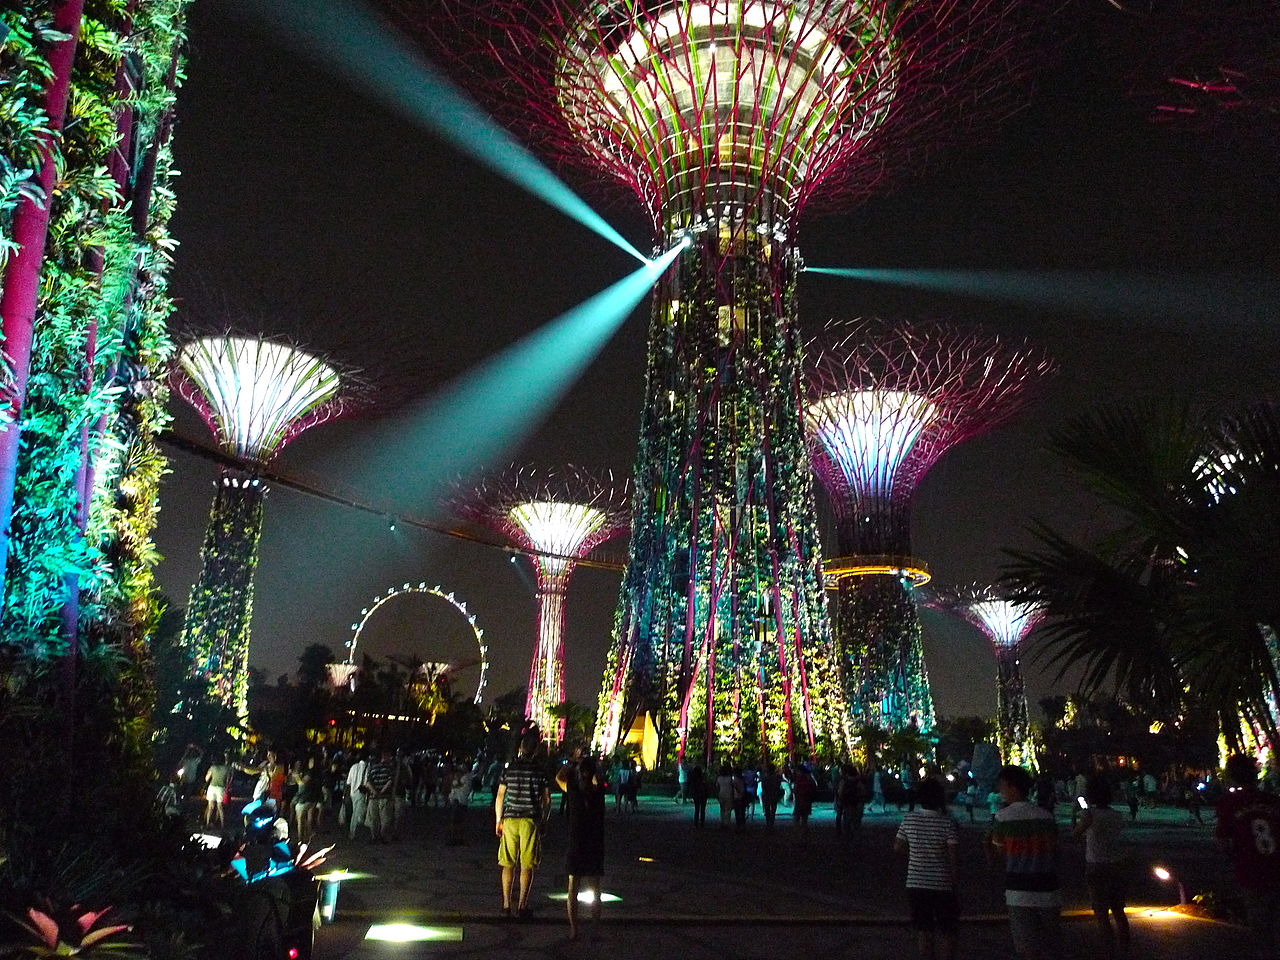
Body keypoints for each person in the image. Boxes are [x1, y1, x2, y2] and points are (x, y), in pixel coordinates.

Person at [991, 765, 1062, 960]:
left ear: (1013, 788)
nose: (1001, 791)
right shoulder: (1046, 817)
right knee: (1051, 947)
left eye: (1002, 786)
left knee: (1027, 949)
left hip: (1019, 890)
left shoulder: (1002, 817)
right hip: (1049, 888)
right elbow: (1055, 849)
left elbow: (999, 850)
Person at [1216, 754, 1280, 957]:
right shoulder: (1272, 801)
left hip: (1252, 871)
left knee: (1261, 931)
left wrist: (1233, 858)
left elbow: (1224, 841)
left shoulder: (1229, 803)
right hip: (1276, 867)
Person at [894, 778, 959, 960]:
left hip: (915, 882)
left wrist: (915, 852)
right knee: (948, 931)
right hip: (942, 883)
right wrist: (954, 882)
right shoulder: (947, 823)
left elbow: (897, 847)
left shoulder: (909, 819)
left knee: (924, 930)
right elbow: (953, 857)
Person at [1073, 774, 1129, 960]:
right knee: (1119, 910)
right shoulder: (1117, 815)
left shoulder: (1090, 815)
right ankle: (1124, 949)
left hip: (1097, 865)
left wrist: (1078, 815)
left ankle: (1108, 950)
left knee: (1101, 912)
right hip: (1117, 864)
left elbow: (1076, 834)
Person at [496, 736, 551, 919]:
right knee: (527, 865)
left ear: (520, 749)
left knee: (507, 863)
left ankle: (505, 905)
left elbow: (500, 796)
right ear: (535, 750)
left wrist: (499, 819)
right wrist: (543, 821)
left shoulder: (509, 769)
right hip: (530, 820)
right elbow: (547, 800)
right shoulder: (539, 771)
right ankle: (522, 905)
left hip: (510, 819)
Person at [556, 756, 606, 941]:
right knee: (595, 890)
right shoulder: (598, 792)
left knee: (572, 888)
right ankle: (594, 929)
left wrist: (572, 765)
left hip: (576, 844)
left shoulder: (573, 791)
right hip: (594, 844)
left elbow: (559, 777)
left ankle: (574, 929)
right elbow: (600, 778)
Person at [365, 748, 398, 843]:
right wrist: (382, 792)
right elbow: (390, 782)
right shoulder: (389, 768)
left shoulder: (373, 767)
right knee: (385, 818)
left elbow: (368, 782)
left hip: (373, 797)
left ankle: (374, 837)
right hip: (385, 797)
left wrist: (374, 792)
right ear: (385, 756)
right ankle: (383, 837)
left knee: (374, 819)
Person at [346, 751, 370, 840]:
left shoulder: (353, 767)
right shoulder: (367, 768)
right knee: (358, 814)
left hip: (353, 793)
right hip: (361, 793)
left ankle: (352, 832)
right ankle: (354, 833)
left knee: (354, 813)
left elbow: (348, 782)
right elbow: (366, 782)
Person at [203, 753, 229, 830]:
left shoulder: (213, 768)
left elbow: (206, 779)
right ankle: (222, 825)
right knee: (220, 807)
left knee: (210, 806)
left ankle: (207, 824)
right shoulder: (226, 768)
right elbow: (227, 780)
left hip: (212, 787)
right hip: (221, 788)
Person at [792, 765, 817, 843]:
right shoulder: (809, 778)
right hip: (807, 801)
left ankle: (799, 836)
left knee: (796, 819)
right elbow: (813, 788)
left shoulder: (799, 779)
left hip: (800, 801)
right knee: (804, 820)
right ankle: (804, 836)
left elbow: (795, 789)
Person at [760, 762, 783, 828]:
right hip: (774, 794)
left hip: (766, 795)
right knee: (773, 809)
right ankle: (771, 822)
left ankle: (768, 823)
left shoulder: (765, 777)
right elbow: (778, 785)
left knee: (767, 810)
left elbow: (763, 787)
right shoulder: (776, 777)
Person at [715, 764, 736, 830]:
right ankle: (727, 823)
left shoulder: (719, 778)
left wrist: (717, 794)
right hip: (729, 794)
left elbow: (717, 786)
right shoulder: (730, 778)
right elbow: (733, 786)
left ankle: (722, 822)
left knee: (722, 809)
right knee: (728, 810)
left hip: (721, 794)